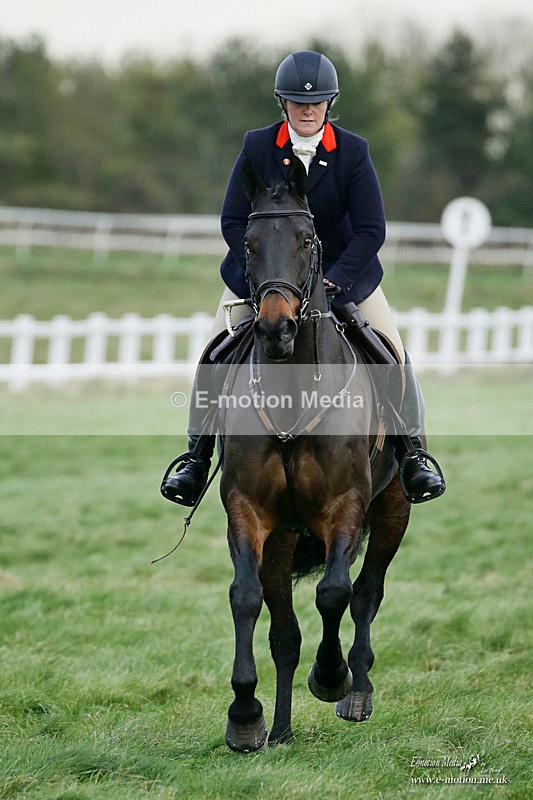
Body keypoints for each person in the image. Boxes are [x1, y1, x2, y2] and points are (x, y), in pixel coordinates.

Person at [162, 50, 445, 507]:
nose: (307, 110)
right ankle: (195, 459)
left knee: (391, 353)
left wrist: (334, 280)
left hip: (343, 276)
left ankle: (413, 454)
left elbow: (372, 230)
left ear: (330, 104)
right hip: (265, 278)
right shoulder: (257, 146)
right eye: (297, 102)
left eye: (316, 103)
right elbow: (233, 219)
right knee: (214, 352)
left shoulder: (353, 151)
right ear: (283, 103)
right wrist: (260, 273)